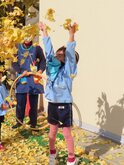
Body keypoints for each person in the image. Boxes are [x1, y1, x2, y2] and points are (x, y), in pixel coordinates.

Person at [39, 22, 79, 165]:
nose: (58, 55)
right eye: (58, 53)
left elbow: (70, 54)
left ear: (66, 59)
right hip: (52, 105)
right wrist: (44, 32)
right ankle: (52, 154)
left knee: (66, 133)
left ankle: (71, 158)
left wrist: (71, 35)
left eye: (62, 55)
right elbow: (48, 52)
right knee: (52, 132)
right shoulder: (51, 69)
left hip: (64, 105)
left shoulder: (68, 71)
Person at [12, 34, 46, 129]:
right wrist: (21, 71)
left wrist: (40, 70)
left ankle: (33, 122)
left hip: (34, 77)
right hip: (22, 77)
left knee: (33, 103)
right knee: (20, 101)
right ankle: (19, 121)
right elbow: (14, 62)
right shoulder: (17, 48)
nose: (27, 38)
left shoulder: (37, 47)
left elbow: (43, 60)